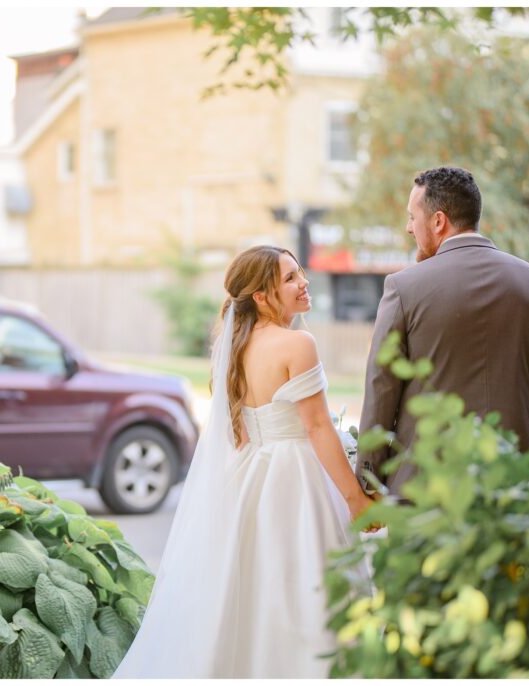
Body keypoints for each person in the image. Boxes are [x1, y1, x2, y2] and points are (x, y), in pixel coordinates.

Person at [113, 246, 375, 679]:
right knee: (305, 592)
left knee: (247, 594)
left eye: (300, 273)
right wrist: (355, 498)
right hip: (295, 480)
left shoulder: (235, 346)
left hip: (249, 479)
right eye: (289, 279)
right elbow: (317, 428)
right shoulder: (297, 344)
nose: (303, 283)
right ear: (261, 295)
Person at [356, 167, 529, 497]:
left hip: (426, 486)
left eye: (413, 217)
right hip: (515, 482)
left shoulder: (404, 287)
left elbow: (381, 389)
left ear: (438, 221)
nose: (409, 228)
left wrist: (367, 480)